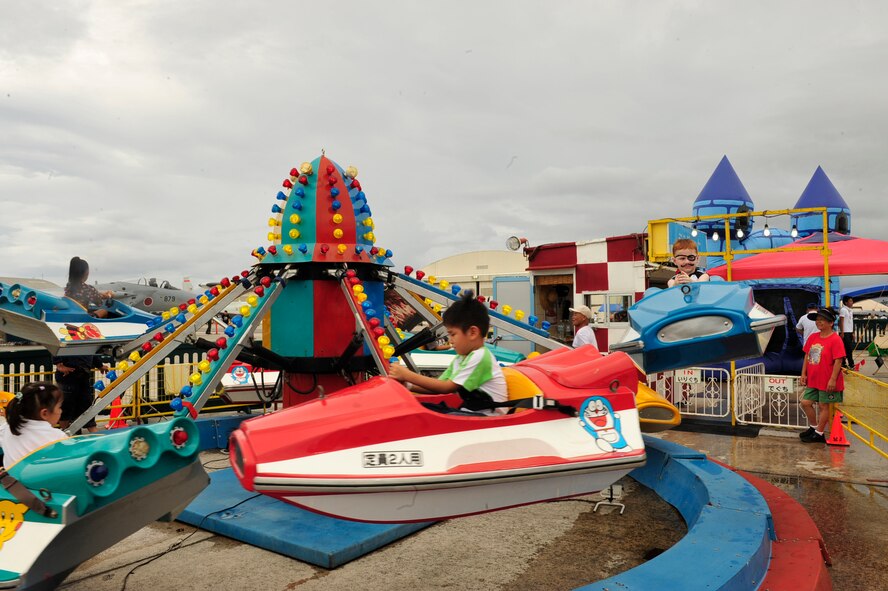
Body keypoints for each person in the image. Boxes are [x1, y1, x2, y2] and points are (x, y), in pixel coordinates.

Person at [389, 291, 507, 416]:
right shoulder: (461, 358)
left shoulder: (480, 356)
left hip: (490, 417)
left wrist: (406, 374)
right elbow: (437, 386)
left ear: (473, 333)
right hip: (472, 412)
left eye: (453, 334)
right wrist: (408, 385)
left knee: (429, 417)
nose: (450, 340)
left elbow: (446, 387)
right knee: (421, 409)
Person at [799, 307, 845, 444]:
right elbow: (807, 356)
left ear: (831, 323)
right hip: (813, 379)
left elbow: (838, 360)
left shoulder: (835, 339)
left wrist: (832, 379)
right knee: (805, 402)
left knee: (823, 406)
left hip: (827, 379)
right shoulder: (813, 337)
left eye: (822, 320)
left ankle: (819, 433)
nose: (819, 322)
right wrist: (803, 374)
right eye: (817, 320)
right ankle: (814, 427)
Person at [0, 382, 68, 468]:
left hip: (11, 479)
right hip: (40, 480)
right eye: (59, 407)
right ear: (44, 413)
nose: (61, 411)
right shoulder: (57, 437)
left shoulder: (7, 427)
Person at [55, 355, 102, 433]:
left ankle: (69, 431)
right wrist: (59, 364)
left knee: (85, 404)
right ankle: (66, 432)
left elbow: (91, 352)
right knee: (67, 407)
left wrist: (100, 365)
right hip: (70, 375)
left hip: (82, 375)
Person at [839, 295, 855, 368]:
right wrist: (842, 332)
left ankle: (845, 363)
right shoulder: (843, 310)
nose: (852, 302)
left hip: (849, 332)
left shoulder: (850, 310)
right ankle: (850, 364)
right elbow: (841, 321)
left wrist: (852, 332)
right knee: (847, 349)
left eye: (852, 301)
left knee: (848, 348)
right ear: (846, 302)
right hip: (844, 332)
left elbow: (850, 322)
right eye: (850, 301)